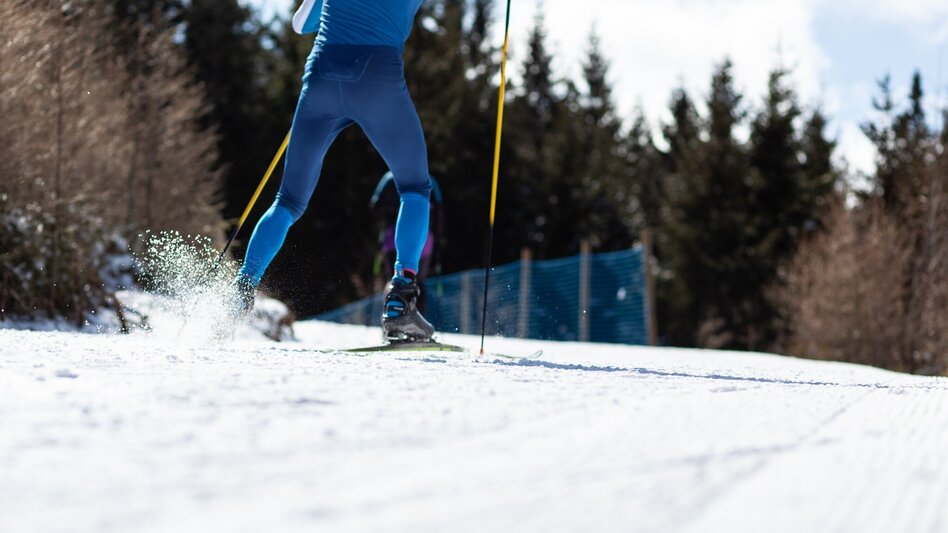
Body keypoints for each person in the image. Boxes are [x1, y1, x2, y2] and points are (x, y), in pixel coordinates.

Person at [234, 0, 435, 342]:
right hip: (377, 79)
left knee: (288, 200)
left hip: (323, 78)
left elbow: (301, 25)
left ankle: (239, 293)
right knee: (415, 188)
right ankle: (401, 302)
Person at [370, 171, 443, 310]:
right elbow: (439, 208)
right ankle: (418, 319)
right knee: (418, 280)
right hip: (424, 237)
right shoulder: (430, 180)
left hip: (392, 236)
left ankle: (390, 316)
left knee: (392, 279)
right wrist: (439, 238)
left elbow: (374, 205)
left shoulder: (388, 178)